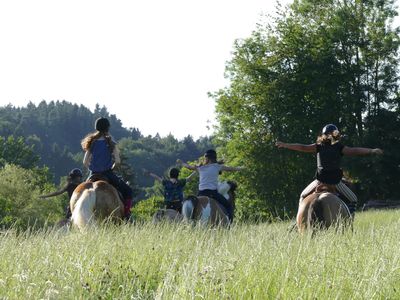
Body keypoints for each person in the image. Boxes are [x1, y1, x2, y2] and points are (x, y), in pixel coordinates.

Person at [276, 124, 383, 214]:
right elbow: (354, 150)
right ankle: (350, 219)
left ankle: (298, 222)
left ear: (323, 135)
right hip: (335, 182)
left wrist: (285, 145)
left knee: (302, 196)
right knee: (353, 199)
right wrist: (371, 151)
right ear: (336, 135)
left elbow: (303, 147)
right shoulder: (339, 147)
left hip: (319, 181)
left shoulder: (318, 146)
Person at [81, 117, 133, 220]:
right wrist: (112, 167)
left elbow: (85, 162)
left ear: (96, 127)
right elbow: (117, 161)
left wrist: (92, 168)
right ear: (107, 128)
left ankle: (71, 214)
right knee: (128, 191)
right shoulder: (110, 143)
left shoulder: (92, 142)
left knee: (80, 191)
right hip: (107, 173)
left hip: (93, 173)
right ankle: (127, 214)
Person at [177, 149, 243, 222]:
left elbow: (189, 167)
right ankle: (229, 224)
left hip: (200, 193)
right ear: (214, 158)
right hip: (212, 193)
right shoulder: (217, 166)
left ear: (207, 158)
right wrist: (240, 168)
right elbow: (231, 169)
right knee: (228, 206)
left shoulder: (200, 168)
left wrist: (182, 163)